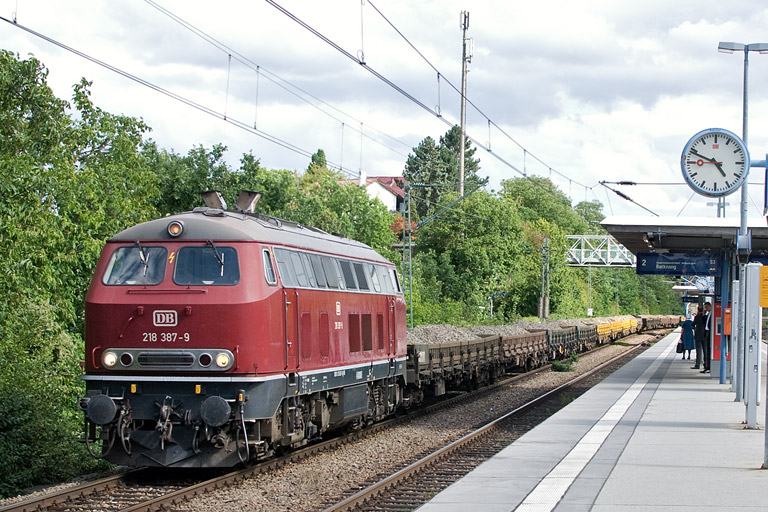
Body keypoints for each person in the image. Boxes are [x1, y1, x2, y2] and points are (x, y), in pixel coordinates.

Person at [701, 302, 712, 373]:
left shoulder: (712, 314)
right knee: (706, 350)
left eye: (707, 307)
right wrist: (703, 313)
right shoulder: (708, 314)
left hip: (710, 333)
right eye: (705, 307)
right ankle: (707, 366)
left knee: (708, 350)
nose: (706, 309)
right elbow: (703, 322)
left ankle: (708, 366)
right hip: (707, 333)